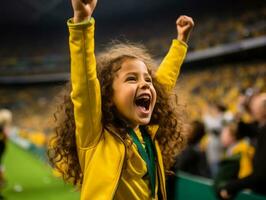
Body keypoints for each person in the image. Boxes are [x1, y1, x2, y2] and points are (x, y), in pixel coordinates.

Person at [48, 0, 194, 199]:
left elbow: (163, 84)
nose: (144, 84)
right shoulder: (96, 136)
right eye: (131, 78)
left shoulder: (146, 134)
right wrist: (82, 23)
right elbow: (84, 84)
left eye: (148, 79)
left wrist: (181, 42)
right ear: (107, 95)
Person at [219, 93, 266, 199]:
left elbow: (261, 175)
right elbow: (243, 126)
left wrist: (231, 186)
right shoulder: (258, 127)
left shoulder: (263, 130)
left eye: (256, 107)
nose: (253, 109)